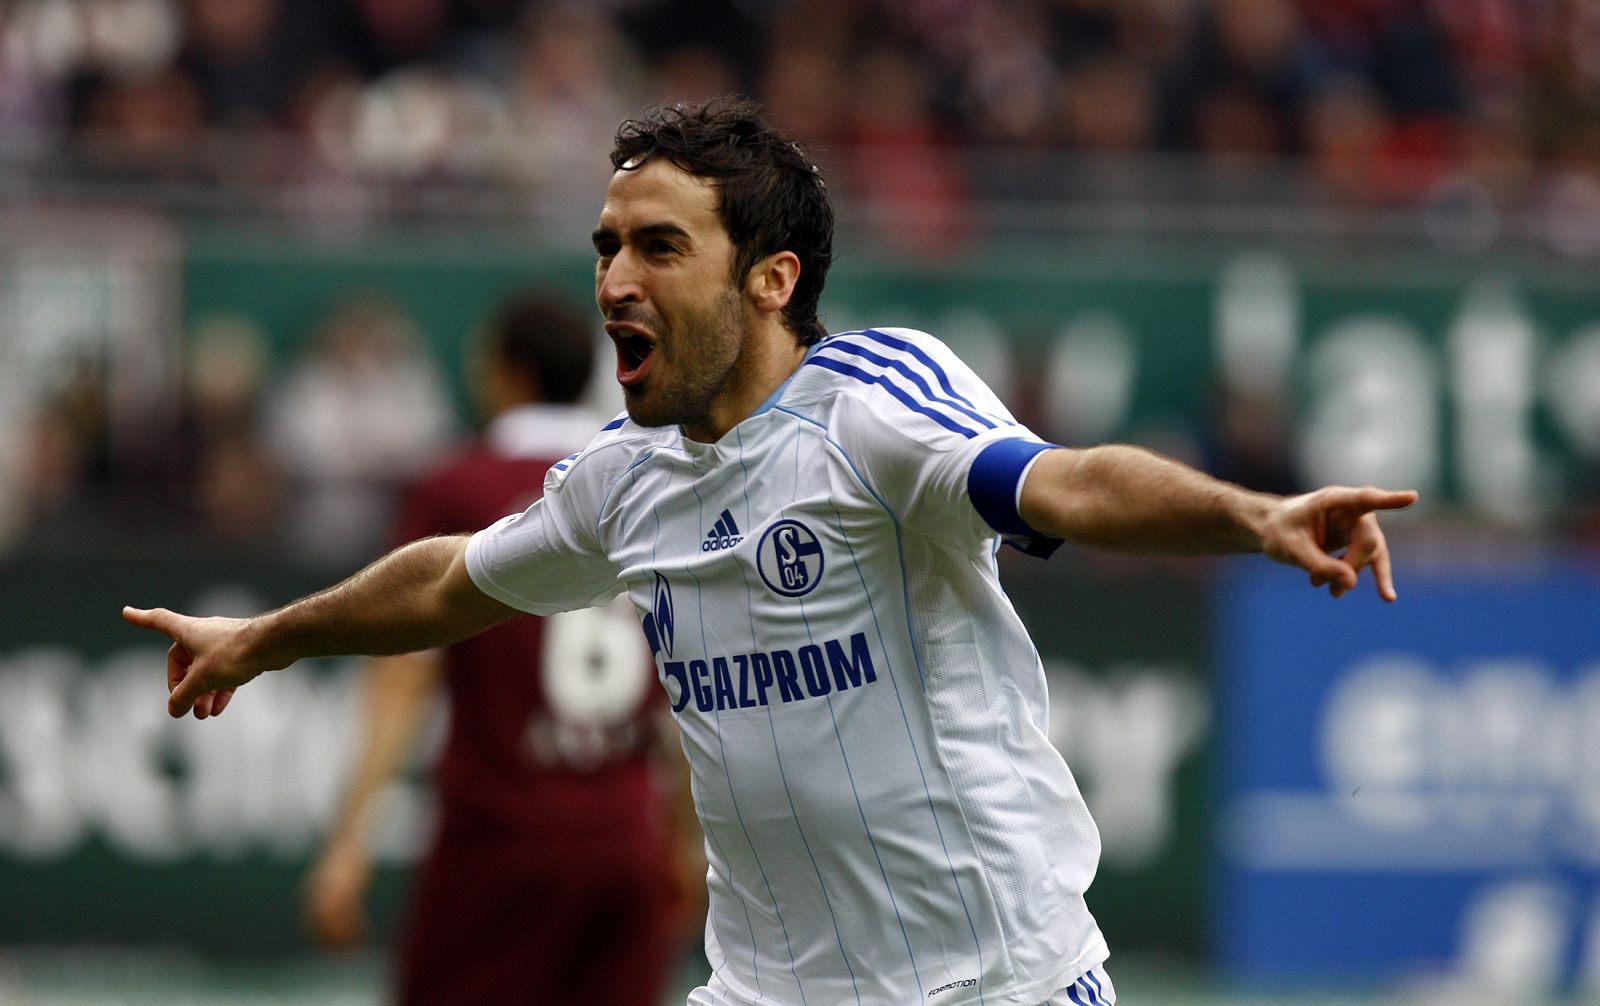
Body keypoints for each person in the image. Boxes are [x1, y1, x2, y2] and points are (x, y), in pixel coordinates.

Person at [126, 97, 1417, 1006]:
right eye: (606, 248)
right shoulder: (623, 478)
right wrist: (266, 636)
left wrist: (1250, 515)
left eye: (659, 247)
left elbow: (1067, 481)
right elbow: (451, 581)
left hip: (992, 983)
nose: (614, 280)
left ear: (770, 278)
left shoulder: (872, 409)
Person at [298, 292, 688, 1004]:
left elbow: (403, 677)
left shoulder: (458, 489)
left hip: (501, 839)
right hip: (625, 839)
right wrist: (684, 843)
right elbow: (689, 687)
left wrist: (350, 839)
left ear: (510, 372)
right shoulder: (649, 484)